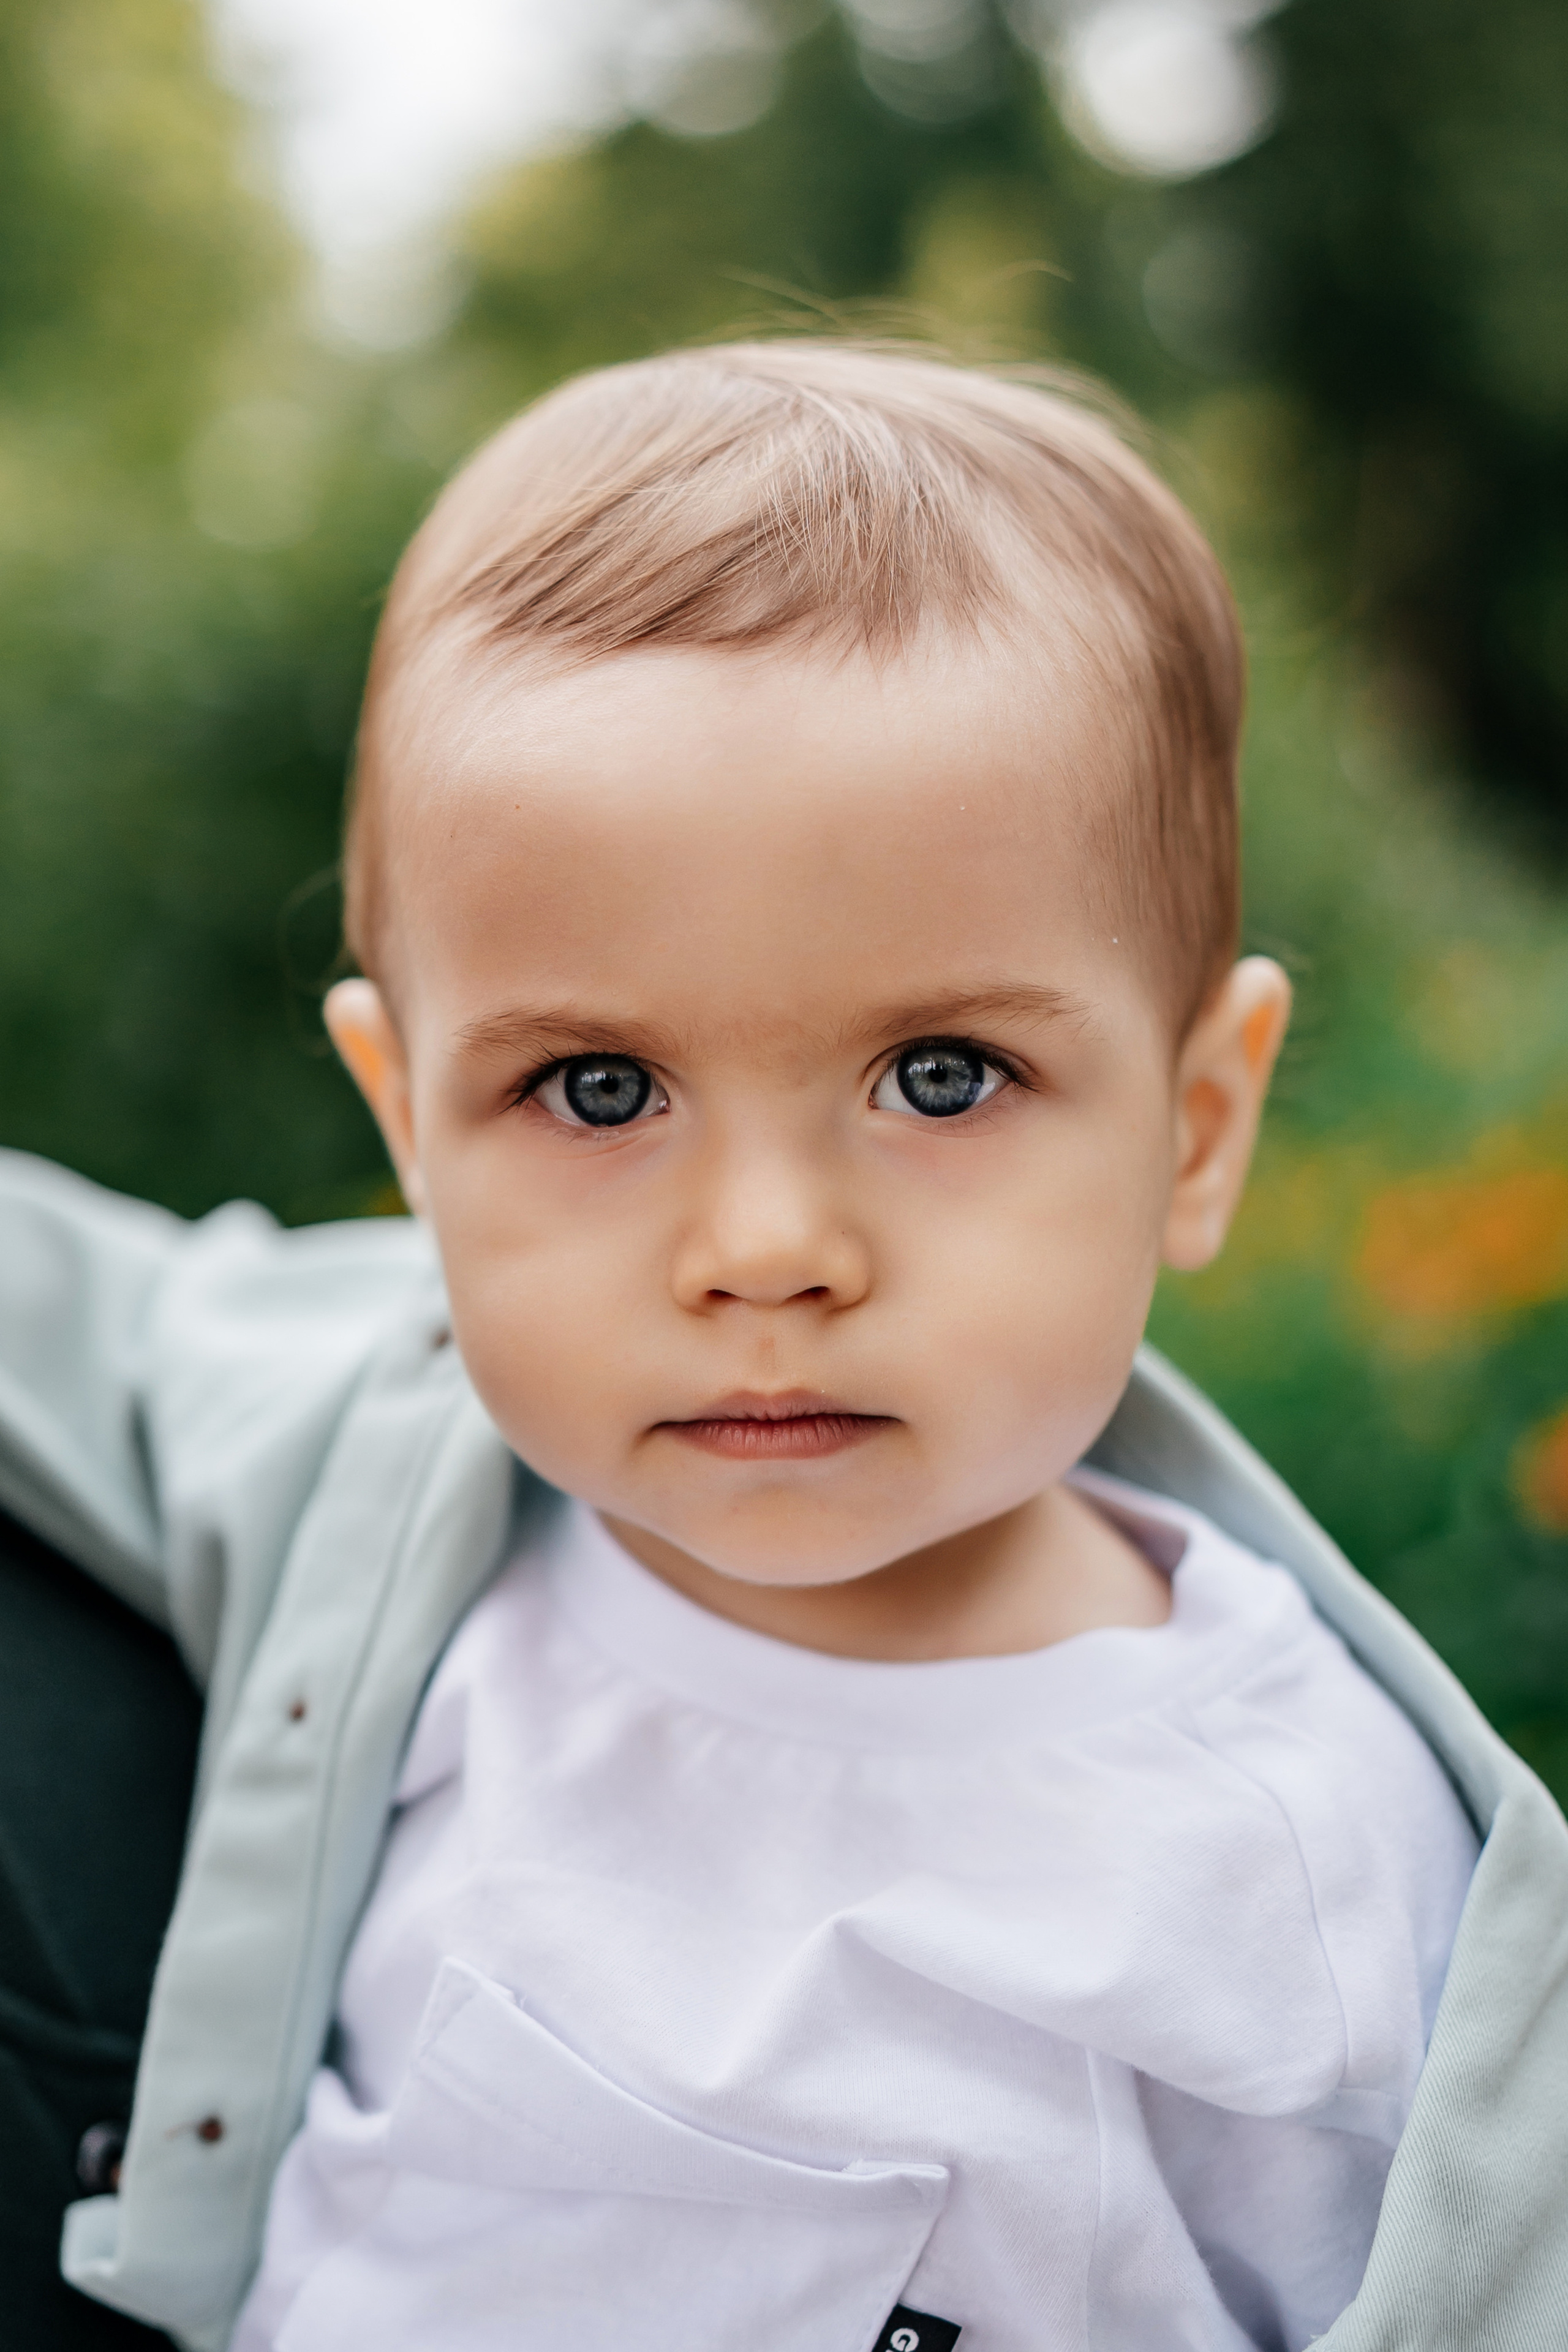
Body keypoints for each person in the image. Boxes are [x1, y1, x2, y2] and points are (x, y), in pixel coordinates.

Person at [4, 342, 1567, 2352]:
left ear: (1195, 1129)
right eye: (591, 1092)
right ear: (406, 1126)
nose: (763, 1252)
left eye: (940, 1074)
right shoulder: (398, 1490)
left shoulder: (1294, 1874)